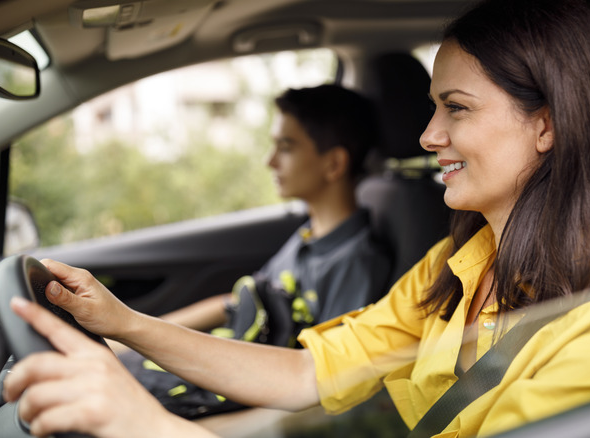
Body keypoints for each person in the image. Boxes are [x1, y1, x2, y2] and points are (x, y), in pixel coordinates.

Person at [2, 0, 590, 437]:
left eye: (457, 107)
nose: (425, 136)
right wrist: (121, 323)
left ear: (546, 124)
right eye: (431, 107)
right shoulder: (461, 266)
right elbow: (305, 376)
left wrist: (147, 427)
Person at [118, 84, 394, 417]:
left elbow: (326, 385)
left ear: (334, 163)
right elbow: (237, 304)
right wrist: (132, 333)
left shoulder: (356, 263)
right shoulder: (307, 238)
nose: (270, 161)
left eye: (286, 147)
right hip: (226, 371)